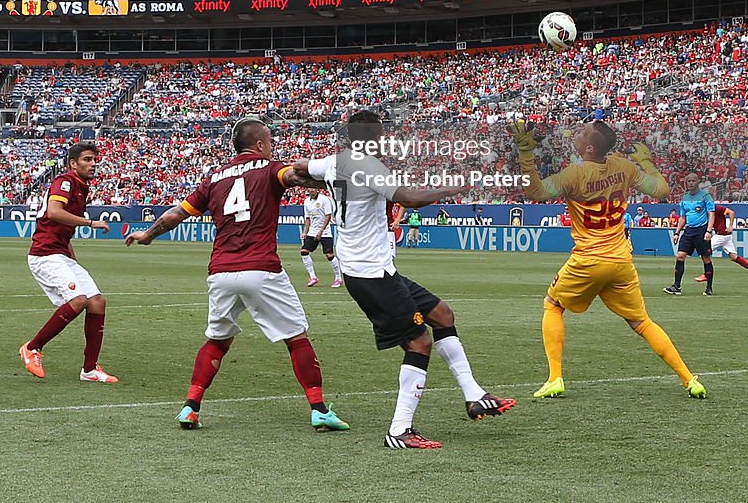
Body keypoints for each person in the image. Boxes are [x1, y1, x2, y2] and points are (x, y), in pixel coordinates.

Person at [290, 110, 515, 449]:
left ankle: (473, 394)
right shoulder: (368, 165)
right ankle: (399, 430)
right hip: (371, 273)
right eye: (379, 135)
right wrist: (453, 187)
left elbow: (299, 168)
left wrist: (310, 177)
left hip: (373, 268)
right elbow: (408, 199)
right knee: (418, 342)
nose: (383, 141)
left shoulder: (335, 161)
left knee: (442, 314)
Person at [125, 117, 349, 433]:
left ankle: (190, 407)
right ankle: (319, 410)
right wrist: (336, 181)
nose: (271, 148)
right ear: (259, 144)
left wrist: (147, 234)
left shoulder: (214, 178)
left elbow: (176, 213)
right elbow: (296, 175)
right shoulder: (271, 169)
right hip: (261, 268)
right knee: (296, 337)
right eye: (269, 142)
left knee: (217, 340)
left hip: (221, 272)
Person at [513, 120, 706, 400]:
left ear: (589, 148)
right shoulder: (623, 167)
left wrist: (526, 155)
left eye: (581, 132)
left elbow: (535, 192)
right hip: (621, 260)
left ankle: (555, 378)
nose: (576, 133)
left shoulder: (574, 175)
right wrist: (647, 163)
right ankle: (689, 379)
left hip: (589, 259)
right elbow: (662, 191)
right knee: (641, 322)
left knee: (553, 305)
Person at [19, 143, 117, 384]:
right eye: (87, 159)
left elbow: (63, 231)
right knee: (78, 300)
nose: (93, 164)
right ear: (74, 163)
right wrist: (91, 223)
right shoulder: (65, 181)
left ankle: (90, 370)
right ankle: (32, 348)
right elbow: (54, 212)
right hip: (44, 255)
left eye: (95, 159)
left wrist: (73, 261)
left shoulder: (82, 187)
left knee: (97, 301)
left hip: (60, 253)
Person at [665, 173, 715, 295]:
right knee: (680, 256)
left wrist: (708, 231)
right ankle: (676, 286)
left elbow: (711, 214)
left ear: (698, 182)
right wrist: (677, 232)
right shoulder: (685, 198)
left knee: (706, 258)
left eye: (693, 181)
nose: (691, 183)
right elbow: (683, 217)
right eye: (689, 181)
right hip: (689, 231)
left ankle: (709, 288)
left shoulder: (705, 196)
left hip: (701, 230)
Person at [694, 197, 748, 289]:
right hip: (726, 236)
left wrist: (730, 226)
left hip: (721, 235)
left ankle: (706, 275)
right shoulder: (706, 211)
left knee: (704, 253)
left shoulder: (716, 208)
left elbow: (731, 212)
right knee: (733, 257)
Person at [300, 188, 341, 288]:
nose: (311, 190)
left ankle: (338, 278)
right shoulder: (306, 201)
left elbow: (328, 216)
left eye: (313, 188)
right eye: (309, 188)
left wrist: (321, 230)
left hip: (325, 232)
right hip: (312, 231)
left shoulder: (324, 199)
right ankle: (313, 277)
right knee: (304, 252)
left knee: (329, 255)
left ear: (317, 189)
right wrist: (305, 232)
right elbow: (307, 218)